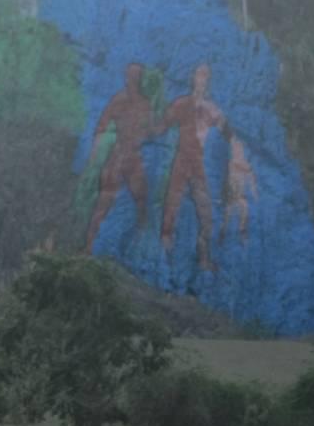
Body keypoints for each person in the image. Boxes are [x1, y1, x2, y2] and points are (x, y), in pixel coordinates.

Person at [159, 63, 229, 271]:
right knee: (172, 204)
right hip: (181, 160)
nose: (203, 78)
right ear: (193, 78)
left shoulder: (212, 109)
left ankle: (204, 257)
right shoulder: (181, 103)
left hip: (197, 163)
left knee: (205, 213)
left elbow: (227, 131)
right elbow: (162, 124)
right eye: (200, 74)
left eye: (206, 74)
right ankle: (163, 253)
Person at [84, 63, 161, 251]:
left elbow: (152, 132)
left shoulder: (144, 104)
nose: (133, 79)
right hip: (120, 156)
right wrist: (94, 152)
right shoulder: (120, 101)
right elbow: (102, 125)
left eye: (136, 76)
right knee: (105, 201)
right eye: (131, 75)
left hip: (131, 157)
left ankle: (137, 245)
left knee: (141, 201)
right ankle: (88, 246)